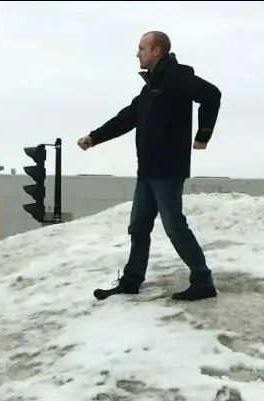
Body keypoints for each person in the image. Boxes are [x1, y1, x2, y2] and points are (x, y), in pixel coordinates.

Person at [78, 31, 222, 302]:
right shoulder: (150, 89)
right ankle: (132, 280)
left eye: (142, 48)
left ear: (157, 50)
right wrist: (94, 137)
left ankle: (203, 281)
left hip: (168, 170)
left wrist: (203, 134)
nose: (137, 53)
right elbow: (126, 118)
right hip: (147, 171)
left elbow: (212, 95)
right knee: (138, 227)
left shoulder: (177, 77)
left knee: (174, 226)